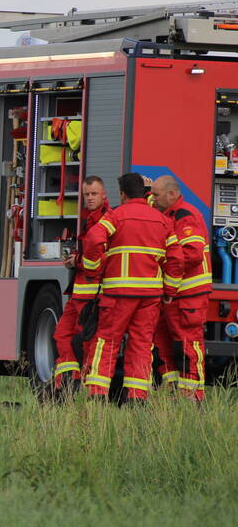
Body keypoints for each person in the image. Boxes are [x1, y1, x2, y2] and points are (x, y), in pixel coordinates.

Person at [81, 173, 182, 403]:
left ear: (122, 194)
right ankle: (137, 397)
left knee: (107, 340)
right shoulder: (163, 220)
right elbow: (176, 259)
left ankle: (97, 393)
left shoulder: (115, 216)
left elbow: (94, 239)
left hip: (118, 293)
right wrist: (170, 291)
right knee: (142, 344)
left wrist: (92, 271)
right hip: (150, 296)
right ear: (145, 193)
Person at [150, 175, 212, 400]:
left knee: (189, 344)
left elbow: (191, 254)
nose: (152, 199)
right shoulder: (167, 214)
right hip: (174, 294)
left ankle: (194, 397)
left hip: (188, 295)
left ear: (172, 195)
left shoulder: (185, 216)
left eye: (156, 195)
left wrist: (162, 261)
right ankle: (174, 395)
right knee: (167, 345)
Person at [51, 175, 109, 395]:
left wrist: (77, 261)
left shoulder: (105, 220)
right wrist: (77, 256)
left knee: (85, 342)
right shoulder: (91, 219)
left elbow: (102, 258)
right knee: (61, 335)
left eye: (94, 194)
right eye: (87, 194)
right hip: (79, 293)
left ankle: (82, 383)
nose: (90, 198)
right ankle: (69, 380)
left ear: (104, 195)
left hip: (92, 294)